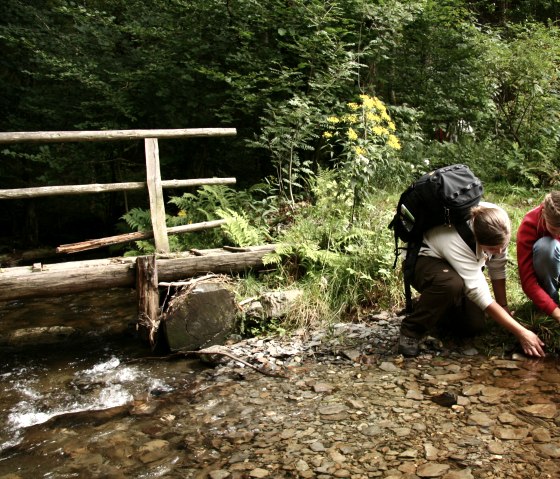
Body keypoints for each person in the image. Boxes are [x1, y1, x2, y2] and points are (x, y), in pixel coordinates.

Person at [398, 202, 546, 358]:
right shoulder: (456, 240)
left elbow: (497, 266)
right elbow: (480, 295)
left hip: (452, 264)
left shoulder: (498, 222)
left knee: (474, 325)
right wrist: (521, 332)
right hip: (423, 259)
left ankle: (431, 305)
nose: (500, 251)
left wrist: (504, 307)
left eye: (502, 246)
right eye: (493, 249)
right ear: (477, 239)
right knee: (450, 284)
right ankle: (411, 330)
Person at [517, 191, 560, 323]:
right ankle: (551, 303)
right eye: (554, 229)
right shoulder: (529, 225)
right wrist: (557, 313)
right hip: (548, 269)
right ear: (543, 215)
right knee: (546, 247)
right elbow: (528, 281)